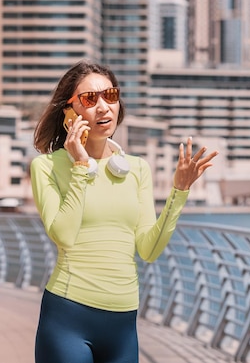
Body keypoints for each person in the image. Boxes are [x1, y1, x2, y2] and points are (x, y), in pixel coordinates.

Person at [30, 60, 218, 363]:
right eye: (90, 99)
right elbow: (64, 236)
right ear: (69, 112)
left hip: (123, 323)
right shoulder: (47, 167)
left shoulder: (136, 169)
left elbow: (149, 250)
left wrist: (179, 191)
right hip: (67, 316)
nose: (104, 107)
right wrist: (79, 166)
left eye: (111, 95)